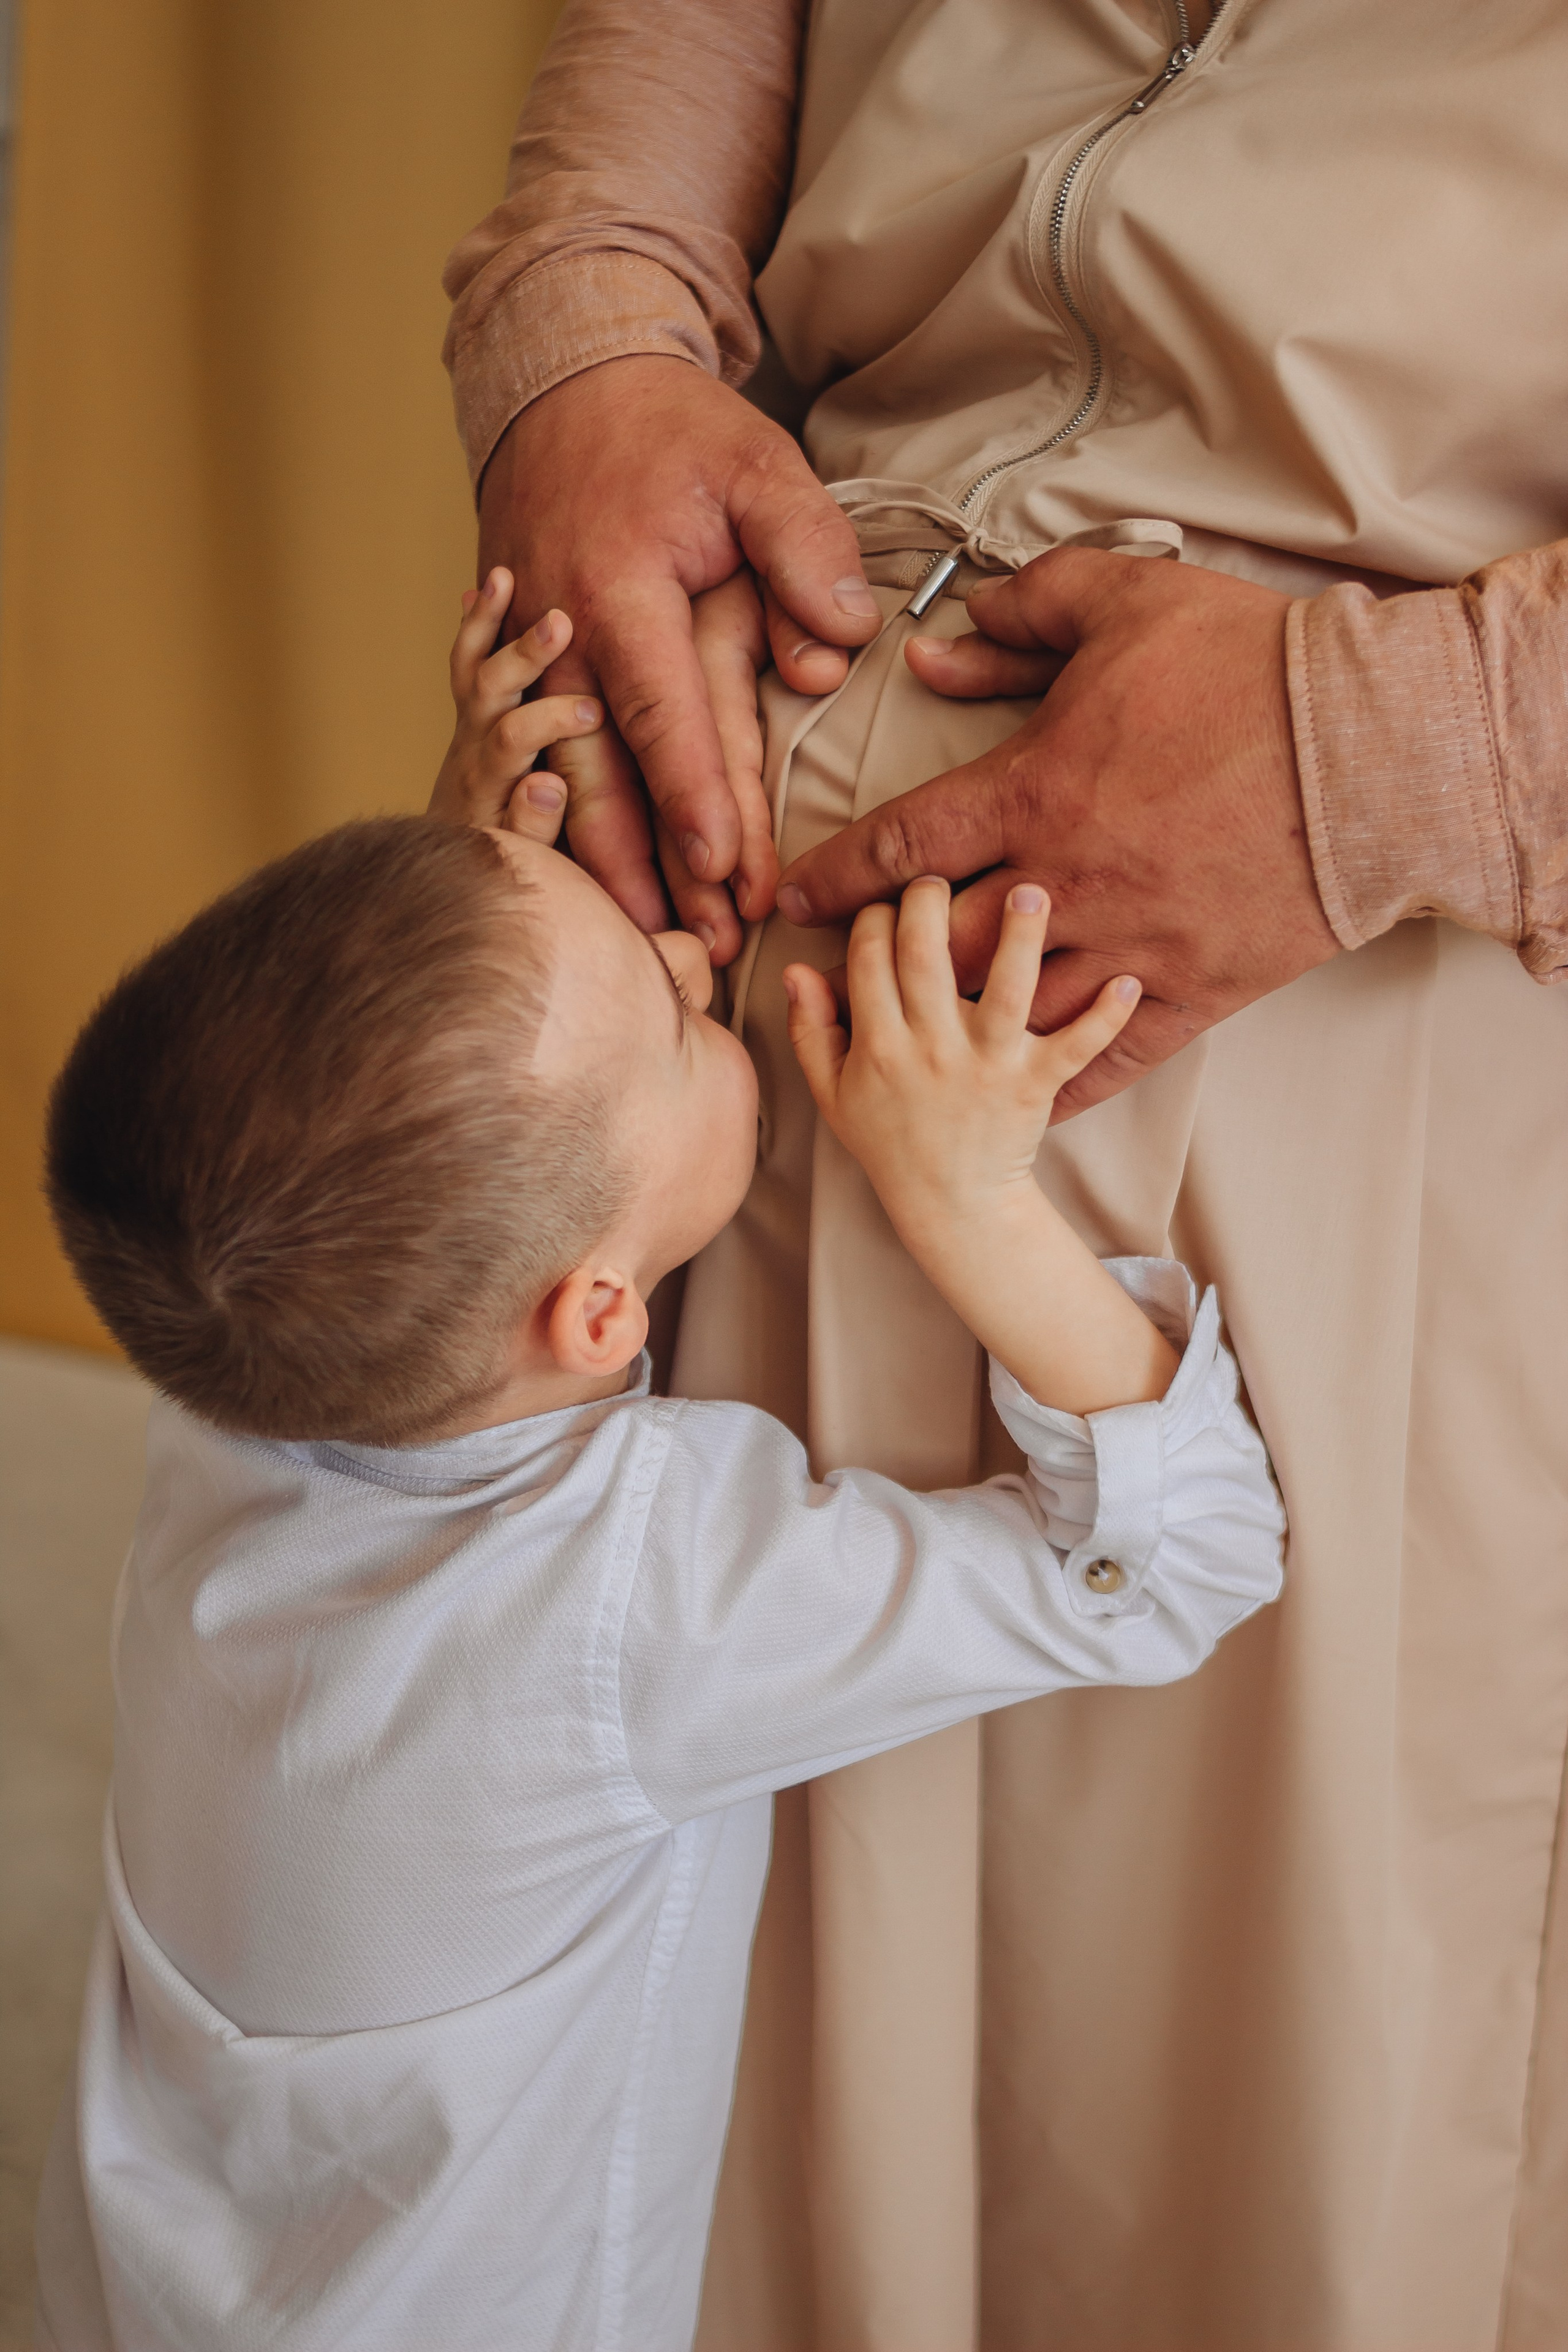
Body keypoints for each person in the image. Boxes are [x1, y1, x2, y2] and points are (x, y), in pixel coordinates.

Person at [441, 6, 1568, 2348]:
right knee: (592, 2077)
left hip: (1354, 1073)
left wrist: (1394, 754)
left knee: (1234, 2147)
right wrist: (586, 342)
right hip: (653, 992)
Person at [31, 582, 1283, 2349]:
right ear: (601, 1313)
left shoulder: (234, 1369)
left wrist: (473, 856)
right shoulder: (637, 1604)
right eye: (679, 1025)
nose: (702, 970)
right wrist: (972, 1200)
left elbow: (371, 1147)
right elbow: (1194, 1556)